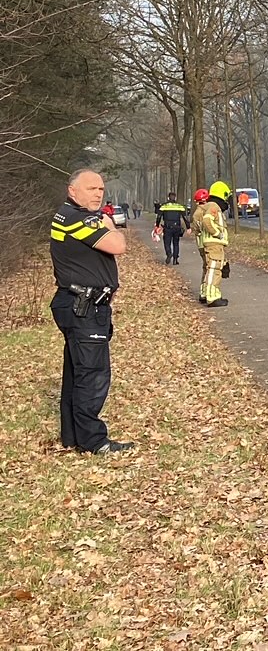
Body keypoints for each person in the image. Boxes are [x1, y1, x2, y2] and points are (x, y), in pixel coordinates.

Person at [50, 168, 132, 454]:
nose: (98, 193)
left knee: (76, 371)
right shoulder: (77, 218)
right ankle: (93, 441)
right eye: (90, 188)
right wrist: (109, 224)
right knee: (92, 374)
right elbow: (118, 245)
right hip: (83, 306)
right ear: (72, 191)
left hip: (75, 303)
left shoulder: (66, 214)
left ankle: (73, 435)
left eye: (100, 189)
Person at [193, 182, 231, 307]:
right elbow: (207, 220)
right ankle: (212, 297)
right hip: (214, 244)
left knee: (208, 268)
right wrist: (217, 233)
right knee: (214, 269)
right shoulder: (214, 206)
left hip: (209, 244)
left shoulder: (207, 206)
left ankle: (205, 293)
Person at [154, 190, 189, 265]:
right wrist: (188, 227)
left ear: (168, 198)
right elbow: (185, 217)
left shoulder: (164, 206)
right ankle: (175, 259)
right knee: (176, 243)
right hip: (177, 227)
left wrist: (157, 225)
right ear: (175, 198)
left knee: (167, 242)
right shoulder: (179, 206)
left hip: (167, 227)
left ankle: (169, 254)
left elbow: (159, 216)